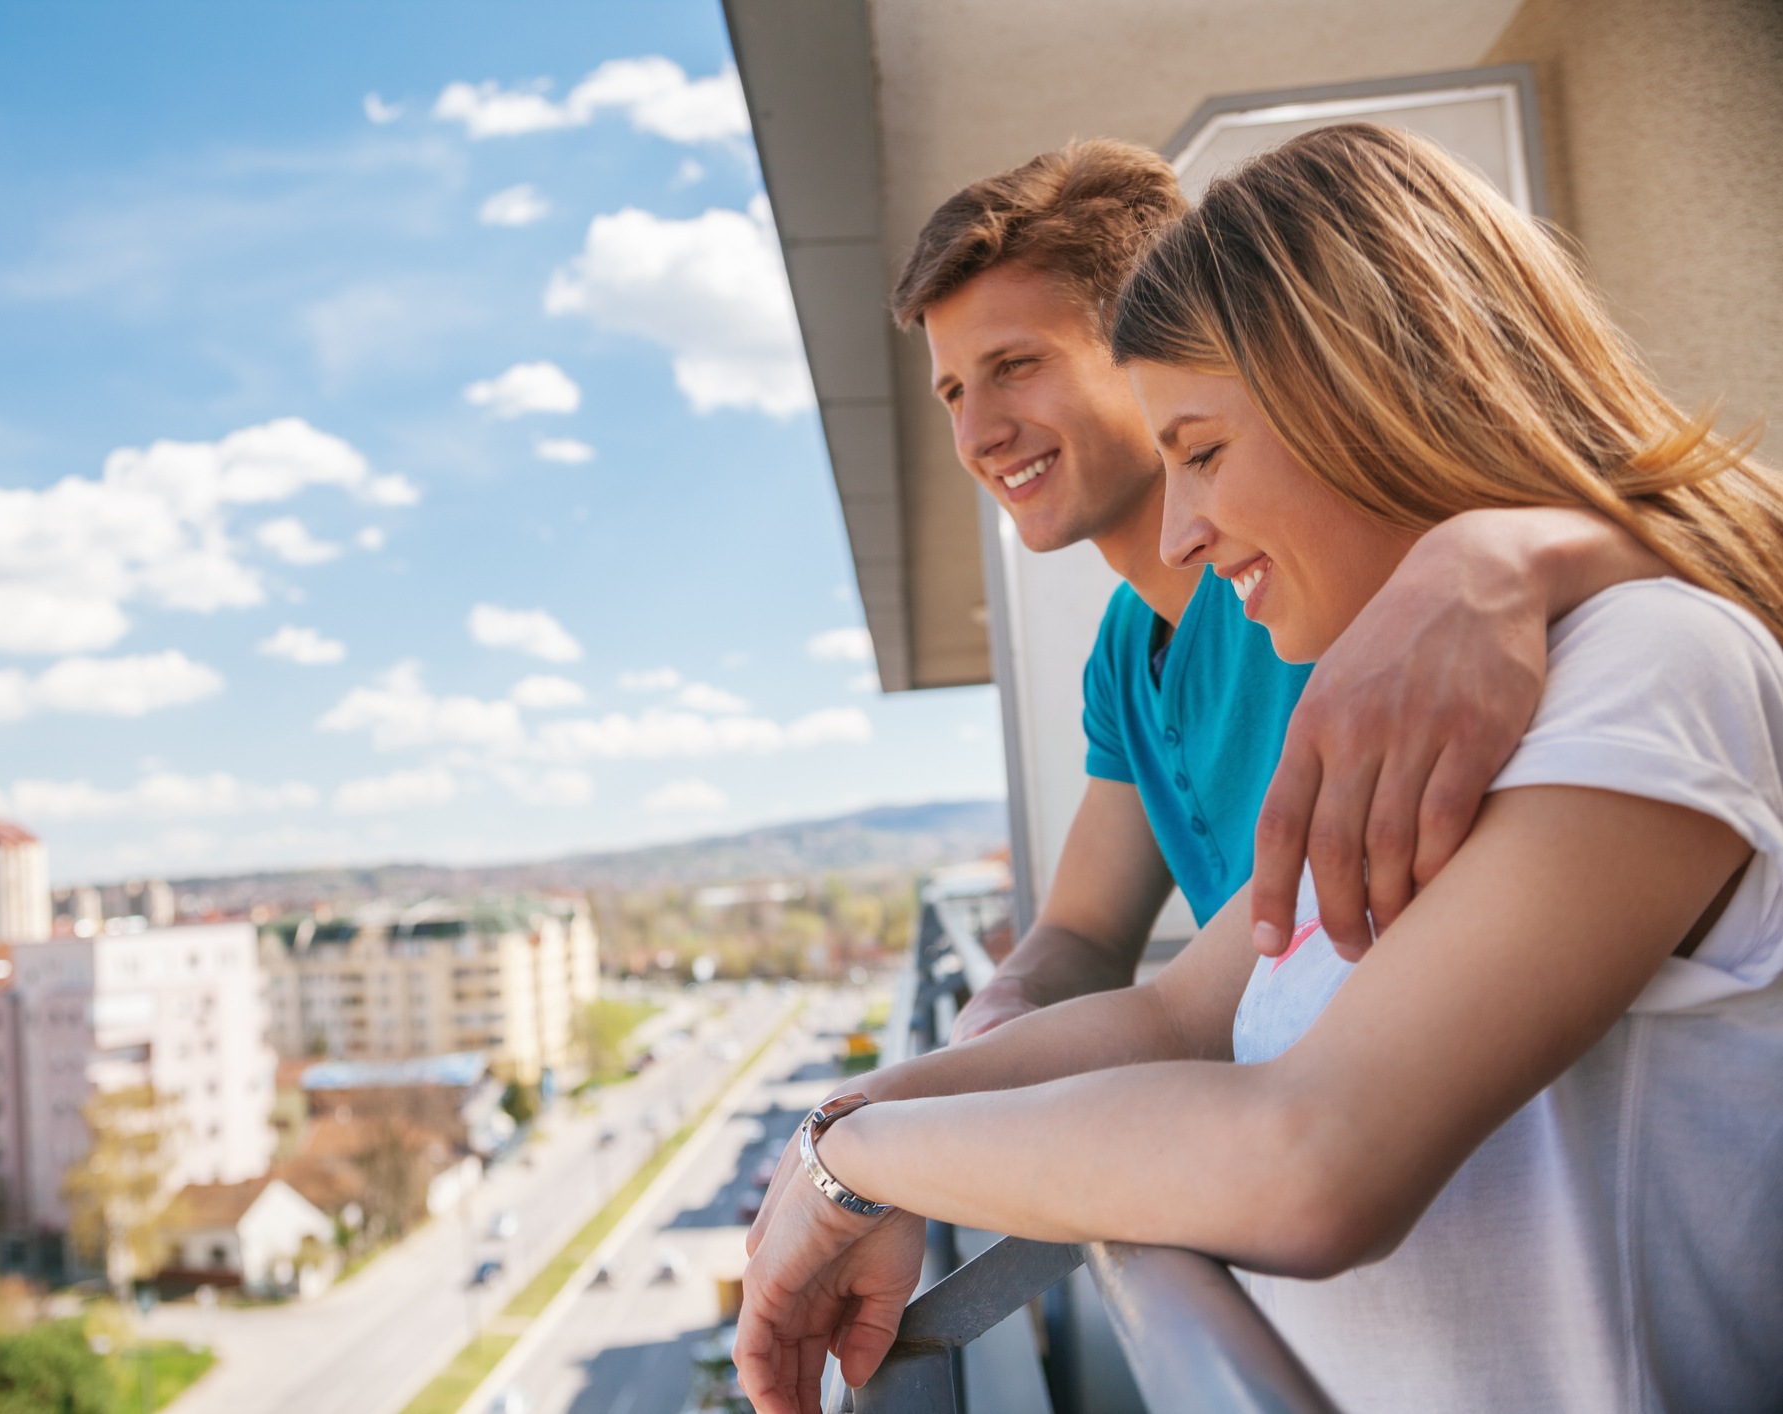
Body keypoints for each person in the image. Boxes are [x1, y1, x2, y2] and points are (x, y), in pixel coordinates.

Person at [735, 123, 1783, 1413]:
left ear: (1361, 385)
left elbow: (1314, 1158)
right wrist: (839, 1138)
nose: (1184, 526)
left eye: (1205, 450)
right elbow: (1175, 1013)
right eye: (954, 388)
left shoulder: (1637, 662)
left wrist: (878, 1163)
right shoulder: (1389, 671)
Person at [888, 140, 1663, 1043]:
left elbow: (1693, 551)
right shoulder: (1125, 648)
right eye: (951, 392)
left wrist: (1506, 553)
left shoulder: (1320, 576)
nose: (977, 432)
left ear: (1145, 338)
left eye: (1014, 364)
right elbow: (1084, 930)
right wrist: (1000, 1012)